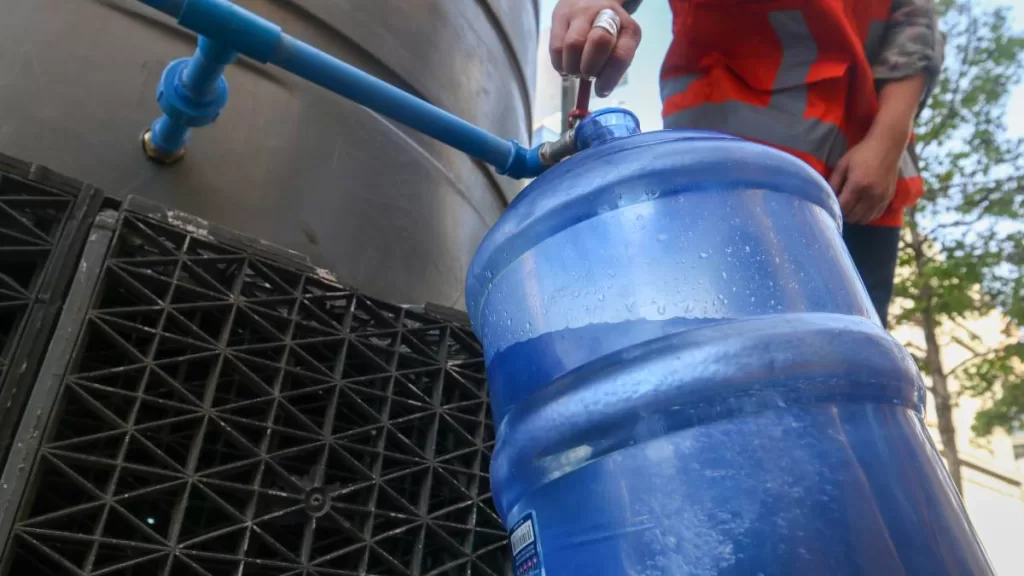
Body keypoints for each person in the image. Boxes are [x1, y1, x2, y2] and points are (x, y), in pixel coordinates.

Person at [548, 0, 944, 327]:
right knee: (739, 354)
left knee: (858, 369)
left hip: (863, 182)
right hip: (732, 162)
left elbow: (914, 19)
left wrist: (887, 142)